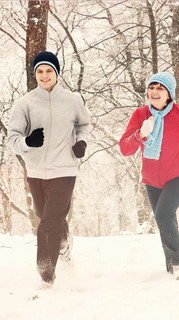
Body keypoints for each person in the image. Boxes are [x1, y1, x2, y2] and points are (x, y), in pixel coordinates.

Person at [119, 72, 179, 280]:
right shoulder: (140, 115)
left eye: (160, 88)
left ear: (169, 94)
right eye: (151, 87)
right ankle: (171, 269)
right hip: (152, 179)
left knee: (164, 214)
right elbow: (125, 148)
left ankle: (178, 262)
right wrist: (140, 135)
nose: (154, 92)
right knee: (164, 219)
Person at [7, 51, 90, 288]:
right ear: (35, 74)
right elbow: (12, 139)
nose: (44, 76)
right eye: (40, 71)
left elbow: (84, 124)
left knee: (48, 222)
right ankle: (63, 246)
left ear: (57, 73)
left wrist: (81, 142)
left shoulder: (73, 101)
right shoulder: (25, 104)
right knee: (48, 218)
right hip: (35, 172)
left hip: (64, 170)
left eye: (49, 71)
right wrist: (27, 142)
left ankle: (46, 274)